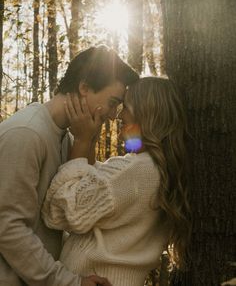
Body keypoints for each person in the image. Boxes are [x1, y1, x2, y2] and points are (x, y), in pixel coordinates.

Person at [0, 45, 138, 286]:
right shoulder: (26, 134)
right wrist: (69, 282)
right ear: (84, 87)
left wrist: (89, 140)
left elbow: (80, 204)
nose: (113, 115)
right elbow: (8, 228)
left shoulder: (68, 139)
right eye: (112, 102)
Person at [42, 77, 191, 286]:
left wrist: (82, 141)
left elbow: (61, 212)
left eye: (127, 107)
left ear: (147, 114)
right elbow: (93, 185)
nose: (120, 115)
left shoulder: (136, 170)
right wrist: (91, 138)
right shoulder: (156, 168)